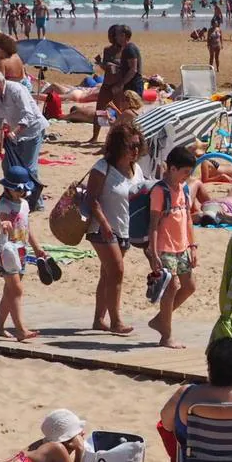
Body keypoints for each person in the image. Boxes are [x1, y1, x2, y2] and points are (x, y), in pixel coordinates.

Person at [85, 123, 142, 336]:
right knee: (117, 272)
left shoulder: (137, 170)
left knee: (107, 274)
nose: (135, 150)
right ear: (119, 145)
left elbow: (140, 198)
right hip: (102, 228)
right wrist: (105, 224)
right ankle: (116, 321)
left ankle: (99, 319)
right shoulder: (102, 167)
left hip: (124, 228)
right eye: (130, 146)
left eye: (137, 145)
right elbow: (91, 199)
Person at [145, 147, 197, 349]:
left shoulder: (183, 188)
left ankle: (160, 320)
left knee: (189, 286)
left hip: (182, 246)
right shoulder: (160, 191)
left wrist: (193, 246)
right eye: (185, 172)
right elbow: (154, 223)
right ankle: (166, 336)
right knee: (171, 288)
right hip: (164, 247)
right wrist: (154, 251)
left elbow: (188, 219)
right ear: (172, 169)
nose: (187, 176)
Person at [0, 166, 51, 342]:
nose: (21, 192)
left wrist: (37, 248)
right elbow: (4, 221)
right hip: (6, 252)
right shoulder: (3, 204)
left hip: (21, 250)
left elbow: (27, 228)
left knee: (9, 292)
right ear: (7, 188)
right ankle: (21, 330)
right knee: (16, 290)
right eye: (17, 189)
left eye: (23, 189)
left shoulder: (24, 204)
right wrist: (5, 226)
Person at [0, 70, 48, 210]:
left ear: (2, 83)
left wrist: (14, 132)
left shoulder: (16, 90)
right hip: (15, 134)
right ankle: (11, 196)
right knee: (7, 165)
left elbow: (29, 114)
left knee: (29, 167)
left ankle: (36, 202)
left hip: (32, 130)